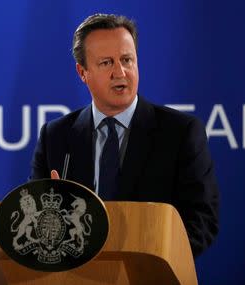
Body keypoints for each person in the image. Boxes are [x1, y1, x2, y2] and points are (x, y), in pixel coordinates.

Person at [29, 13, 219, 257]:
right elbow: (35, 221)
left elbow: (202, 220)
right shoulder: (55, 136)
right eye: (106, 62)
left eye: (127, 60)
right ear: (82, 72)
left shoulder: (180, 132)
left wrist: (148, 258)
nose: (120, 72)